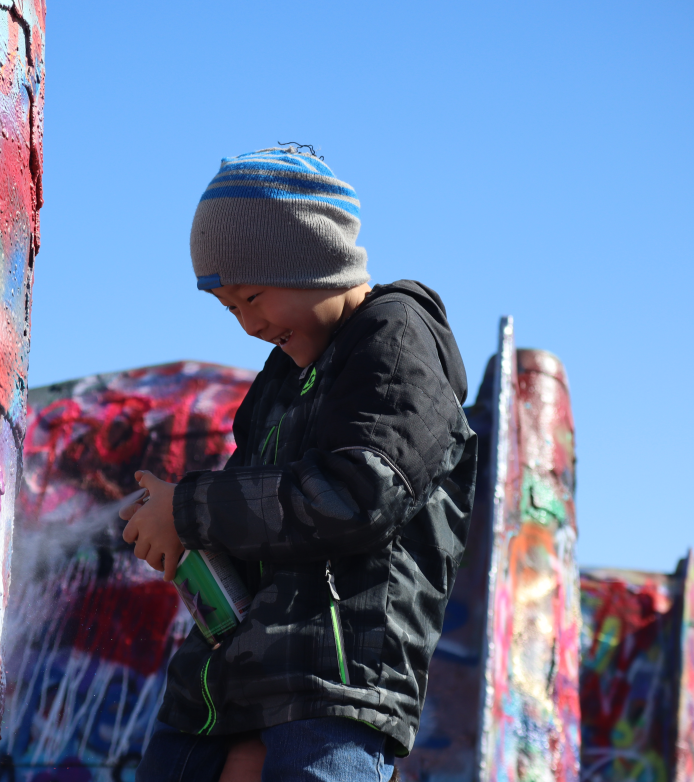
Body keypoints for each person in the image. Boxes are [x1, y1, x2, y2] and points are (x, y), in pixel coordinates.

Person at [120, 146, 478, 782]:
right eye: (231, 309)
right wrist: (176, 530)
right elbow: (253, 507)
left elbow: (358, 493)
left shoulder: (396, 338)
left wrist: (191, 507)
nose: (249, 325)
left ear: (317, 261)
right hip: (228, 685)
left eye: (254, 297)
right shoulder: (281, 380)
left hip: (333, 684)